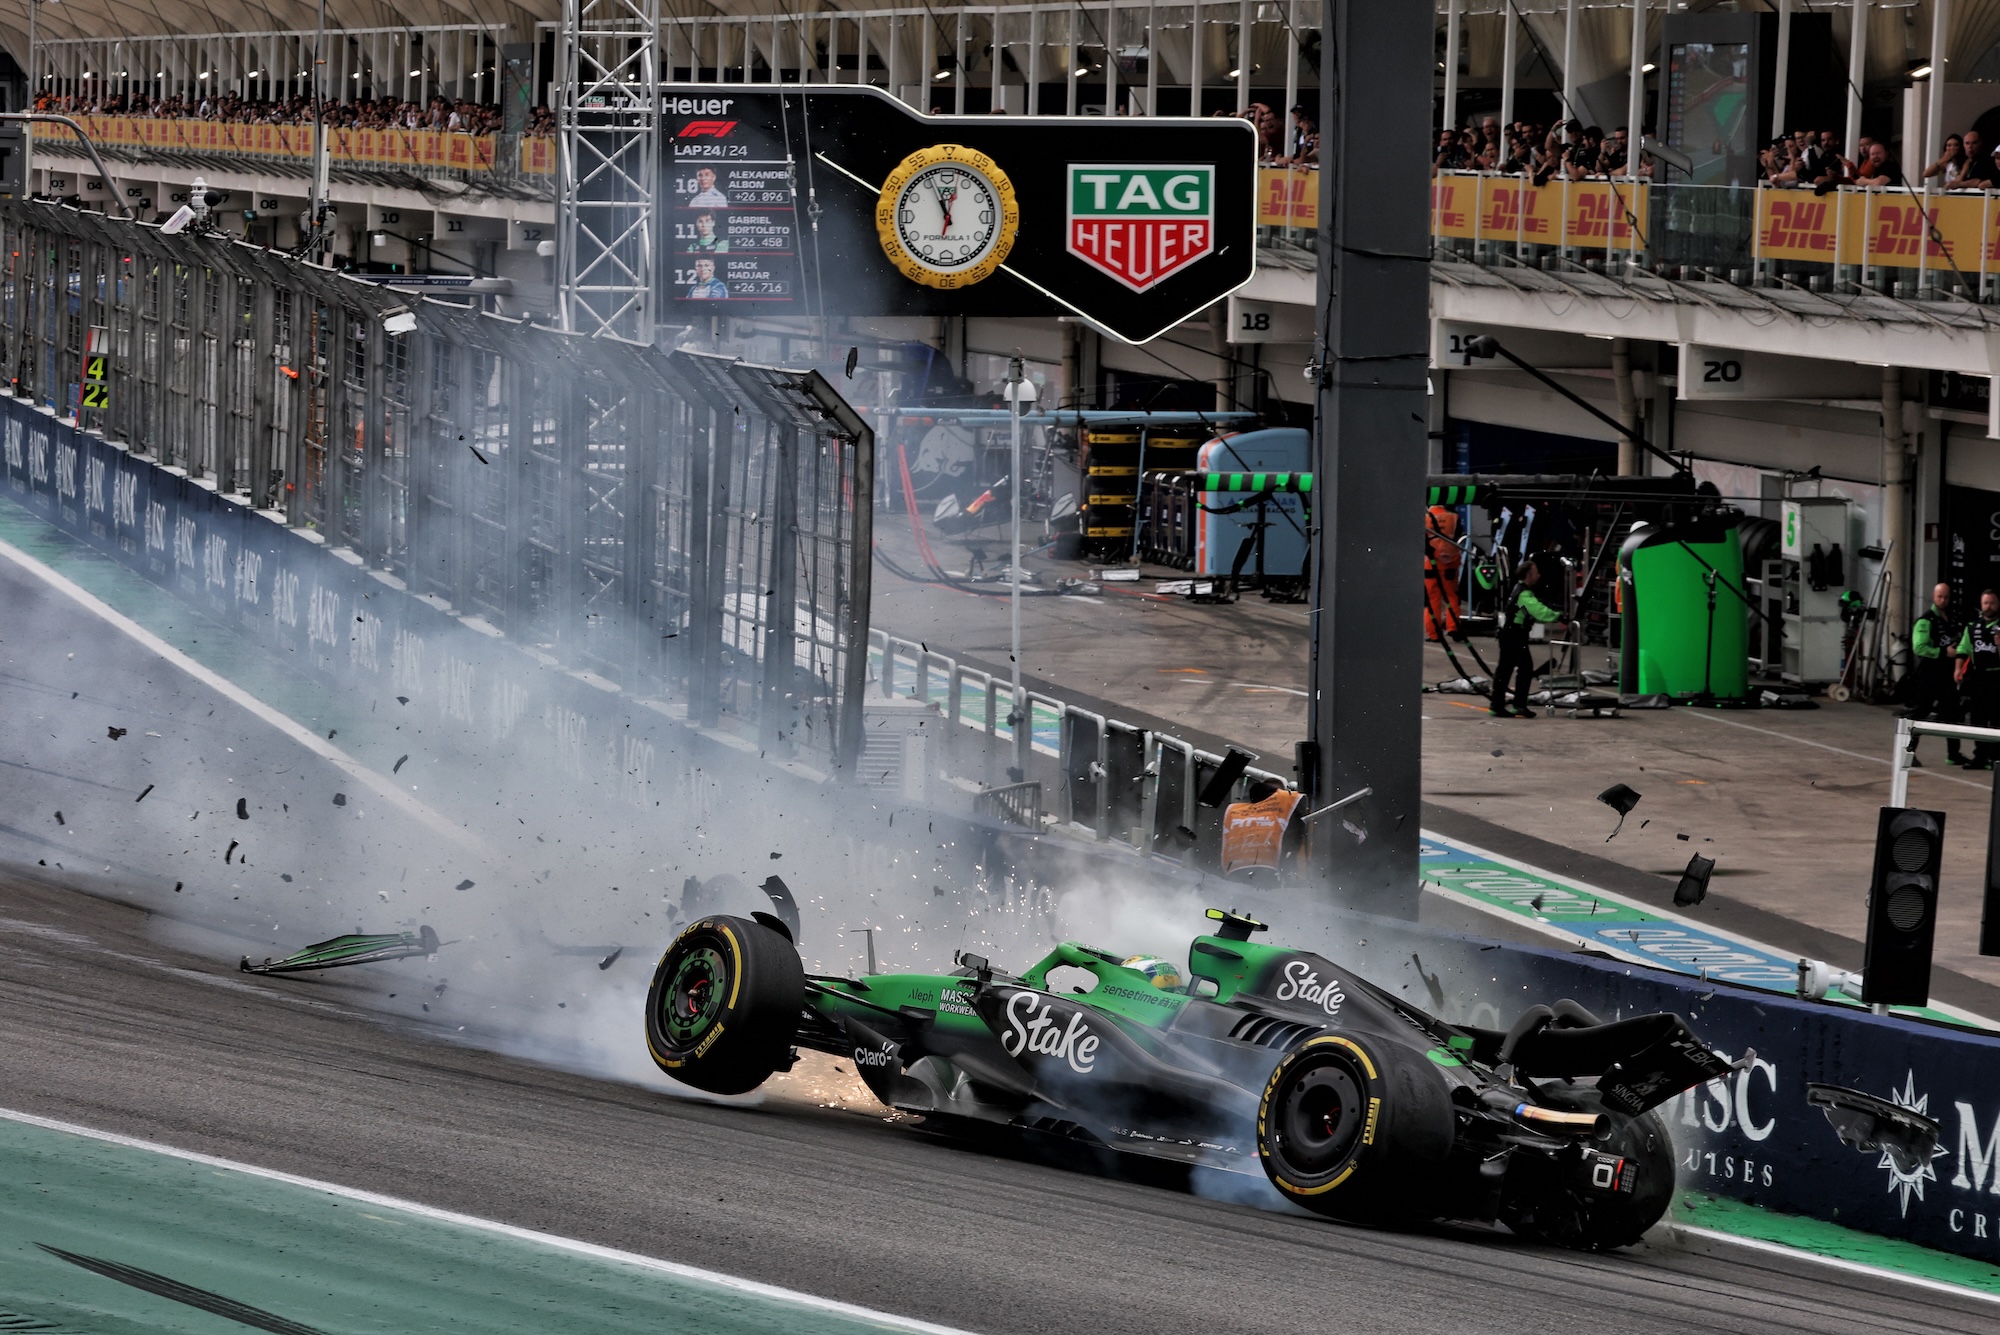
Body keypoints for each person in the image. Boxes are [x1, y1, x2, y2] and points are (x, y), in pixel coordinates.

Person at [1490, 559, 1561, 718]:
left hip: (1509, 635)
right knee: (1525, 668)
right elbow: (1539, 611)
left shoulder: (1519, 589)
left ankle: (1497, 705)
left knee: (1505, 669)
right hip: (1514, 636)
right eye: (1536, 572)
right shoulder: (1524, 594)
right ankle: (1519, 705)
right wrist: (1559, 616)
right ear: (1529, 575)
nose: (1539, 575)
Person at [1905, 582, 1966, 766]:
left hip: (1947, 673)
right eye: (1940, 596)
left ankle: (1953, 754)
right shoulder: (1926, 620)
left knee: (1952, 713)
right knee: (1921, 711)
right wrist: (1942, 652)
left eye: (1946, 597)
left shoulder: (1952, 619)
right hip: (1929, 673)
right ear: (1934, 596)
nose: (1943, 600)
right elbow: (1919, 647)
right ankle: (1908, 752)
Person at [1220, 779, 1303, 883]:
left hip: (1234, 872)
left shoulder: (1235, 811)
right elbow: (1294, 840)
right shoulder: (1286, 805)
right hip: (1269, 873)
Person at [1956, 589, 2000, 769]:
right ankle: (1979, 757)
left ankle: (1995, 758)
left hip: (1997, 677)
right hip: (1978, 677)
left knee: (1997, 719)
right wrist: (1958, 668)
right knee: (1978, 719)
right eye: (1985, 603)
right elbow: (1963, 649)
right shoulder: (1972, 627)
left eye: (1992, 603)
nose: (1988, 607)